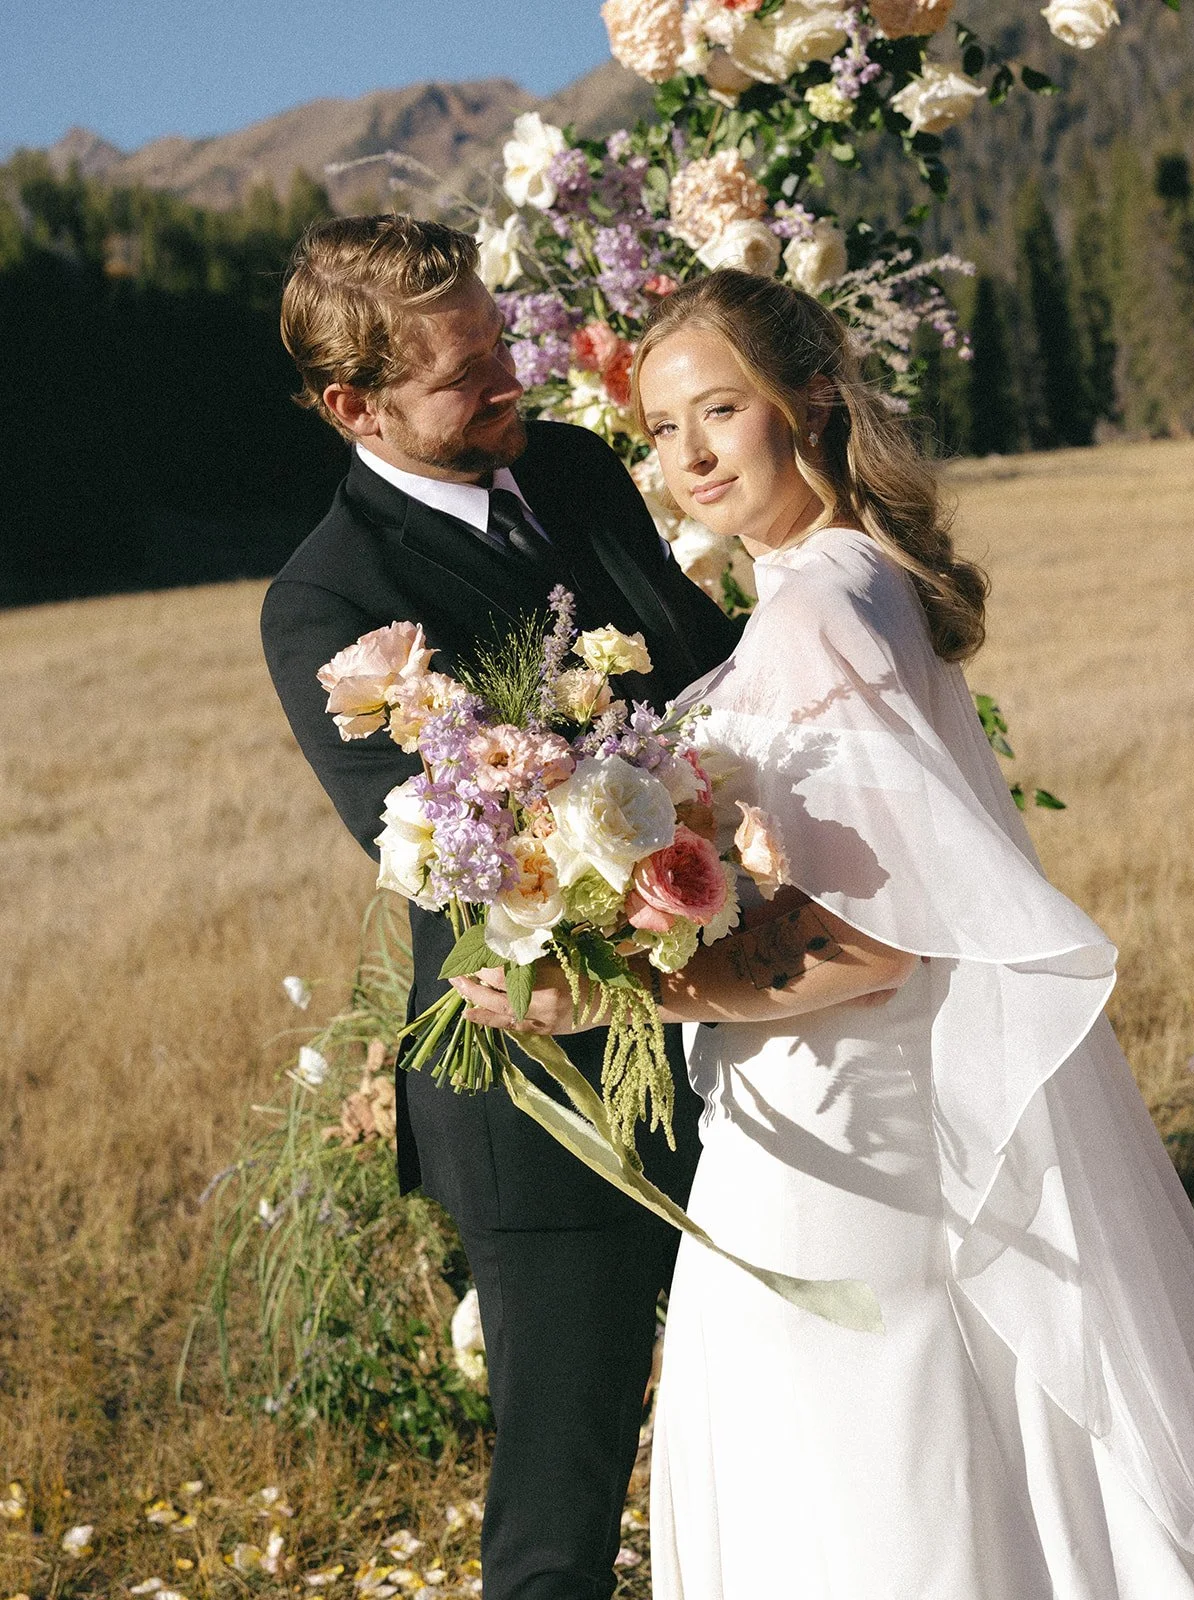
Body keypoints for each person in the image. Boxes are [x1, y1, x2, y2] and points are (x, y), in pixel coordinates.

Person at [454, 268, 1194, 1598]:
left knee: (841, 1462)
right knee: (916, 1440)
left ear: (809, 399)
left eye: (719, 412)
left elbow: (872, 942)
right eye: (660, 430)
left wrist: (614, 990)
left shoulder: (811, 615)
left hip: (843, 1125)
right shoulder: (857, 580)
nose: (684, 457)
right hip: (878, 1104)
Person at [260, 215, 742, 1600]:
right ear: (357, 407)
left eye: (501, 343)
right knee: (562, 1490)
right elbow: (443, 857)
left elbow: (693, 673)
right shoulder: (330, 603)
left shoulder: (578, 469)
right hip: (540, 1087)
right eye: (466, 375)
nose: (509, 382)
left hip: (733, 1023)